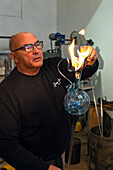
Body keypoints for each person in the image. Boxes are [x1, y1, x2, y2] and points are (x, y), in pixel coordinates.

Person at [0, 32, 98, 170]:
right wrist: (42, 168)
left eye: (37, 44)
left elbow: (85, 70)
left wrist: (90, 62)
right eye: (27, 47)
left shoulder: (54, 67)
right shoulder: (7, 92)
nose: (36, 50)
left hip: (59, 153)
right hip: (34, 162)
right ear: (14, 57)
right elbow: (5, 144)